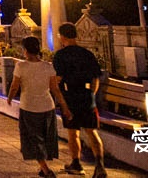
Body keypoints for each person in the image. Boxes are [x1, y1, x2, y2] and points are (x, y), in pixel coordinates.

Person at [7, 36, 70, 178]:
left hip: (29, 107)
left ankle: (46, 170)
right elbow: (55, 89)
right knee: (45, 138)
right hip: (48, 107)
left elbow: (14, 86)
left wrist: (10, 98)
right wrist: (64, 107)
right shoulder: (48, 67)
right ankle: (43, 168)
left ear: (25, 50)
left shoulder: (21, 66)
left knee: (33, 139)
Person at [52, 22, 106, 177]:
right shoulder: (87, 54)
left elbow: (58, 79)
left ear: (62, 36)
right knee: (91, 132)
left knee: (72, 132)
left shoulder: (61, 55)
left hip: (70, 96)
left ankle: (76, 163)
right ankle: (100, 166)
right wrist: (92, 96)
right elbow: (96, 79)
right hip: (87, 95)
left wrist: (61, 100)